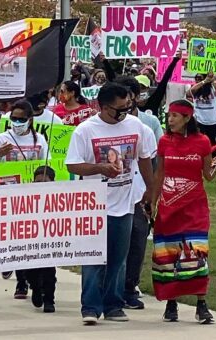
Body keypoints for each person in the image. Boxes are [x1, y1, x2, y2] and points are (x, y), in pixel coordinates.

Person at [65, 83, 156, 325]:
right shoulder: (85, 131)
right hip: (95, 204)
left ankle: (114, 305)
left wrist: (150, 189)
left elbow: (145, 158)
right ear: (102, 107)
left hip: (124, 202)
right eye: (118, 109)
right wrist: (100, 167)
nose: (124, 113)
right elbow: (72, 165)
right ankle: (91, 307)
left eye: (128, 107)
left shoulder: (136, 126)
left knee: (118, 257)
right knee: (94, 258)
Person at [151, 99, 216, 324]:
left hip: (194, 208)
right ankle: (171, 303)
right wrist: (153, 203)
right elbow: (159, 175)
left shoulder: (202, 141)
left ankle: (201, 305)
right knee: (169, 255)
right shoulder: (164, 141)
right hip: (168, 209)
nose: (170, 120)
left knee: (197, 254)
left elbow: (208, 175)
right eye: (169, 115)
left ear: (187, 118)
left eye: (175, 115)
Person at [0, 100, 49, 298]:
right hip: (9, 195)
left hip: (33, 196)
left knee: (32, 237)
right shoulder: (1, 139)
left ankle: (32, 276)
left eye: (21, 119)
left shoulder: (39, 140)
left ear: (30, 120)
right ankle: (21, 281)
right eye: (13, 118)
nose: (17, 122)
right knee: (15, 237)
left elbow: (46, 167)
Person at [114, 76, 159, 309]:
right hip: (109, 198)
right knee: (111, 247)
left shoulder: (144, 129)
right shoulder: (92, 128)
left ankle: (129, 288)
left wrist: (150, 196)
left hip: (136, 197)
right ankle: (109, 289)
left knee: (136, 243)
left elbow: (150, 164)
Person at [24, 165, 58, 313]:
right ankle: (36, 288)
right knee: (31, 271)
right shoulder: (26, 197)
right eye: (37, 182)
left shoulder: (58, 197)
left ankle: (49, 300)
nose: (40, 186)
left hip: (49, 240)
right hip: (32, 241)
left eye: (45, 182)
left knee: (49, 272)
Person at [137, 51, 181, 117]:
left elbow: (165, 80)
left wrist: (175, 60)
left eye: (142, 88)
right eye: (137, 88)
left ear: (148, 88)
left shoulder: (154, 100)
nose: (140, 91)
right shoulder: (129, 105)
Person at [187, 72, 216, 148]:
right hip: (199, 119)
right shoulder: (195, 89)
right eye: (196, 78)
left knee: (211, 140)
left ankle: (213, 157)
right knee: (199, 140)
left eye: (200, 78)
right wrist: (204, 81)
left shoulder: (212, 88)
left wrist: (212, 80)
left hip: (212, 120)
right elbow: (190, 92)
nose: (198, 80)